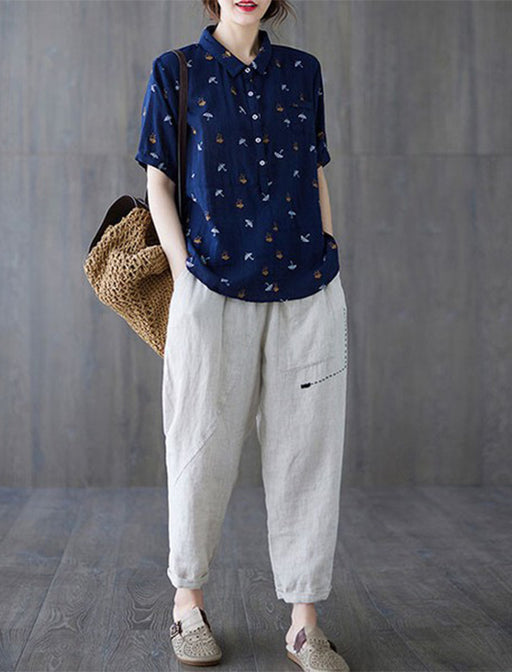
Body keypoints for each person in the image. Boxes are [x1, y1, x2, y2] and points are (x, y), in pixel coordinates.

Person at [135, 1, 350, 669]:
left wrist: (329, 247)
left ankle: (304, 623)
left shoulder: (303, 72)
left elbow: (313, 172)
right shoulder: (177, 71)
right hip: (210, 289)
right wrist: (185, 276)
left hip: (307, 291)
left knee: (308, 453)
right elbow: (158, 182)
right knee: (197, 447)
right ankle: (187, 605)